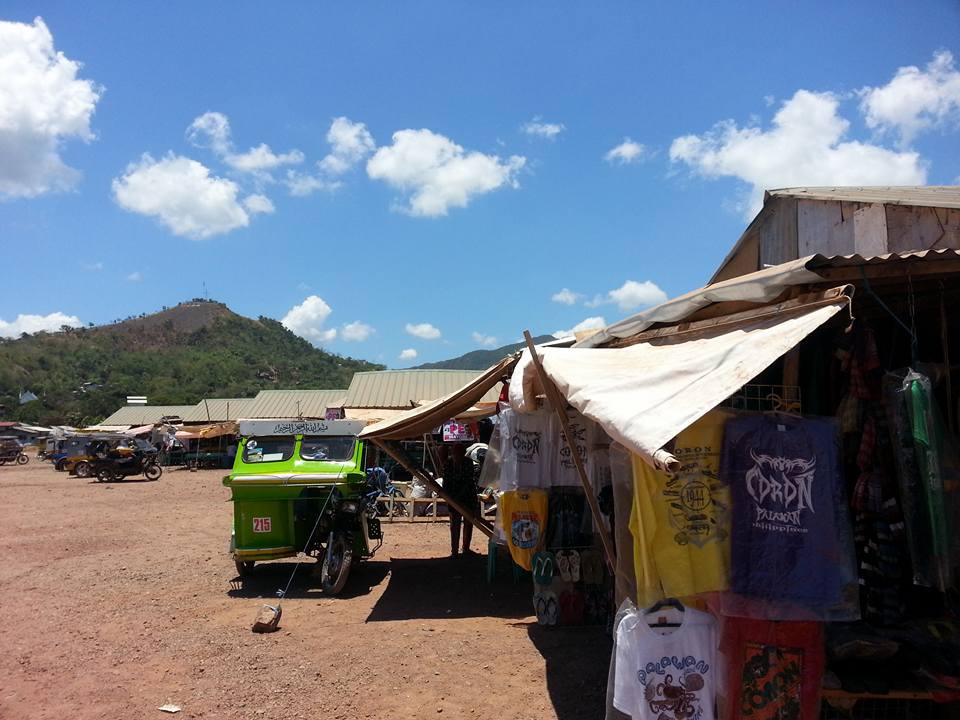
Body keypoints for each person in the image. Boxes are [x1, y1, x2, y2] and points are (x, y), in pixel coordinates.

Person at [441, 442, 480, 557]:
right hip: (453, 498)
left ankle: (466, 548)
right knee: (455, 524)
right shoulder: (448, 463)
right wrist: (449, 497)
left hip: (468, 498)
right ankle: (454, 551)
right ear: (452, 453)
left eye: (460, 453)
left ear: (463, 453)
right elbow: (446, 481)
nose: (457, 455)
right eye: (455, 453)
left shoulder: (468, 463)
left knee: (468, 523)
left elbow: (468, 482)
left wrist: (458, 497)